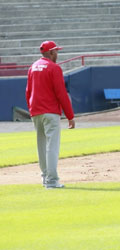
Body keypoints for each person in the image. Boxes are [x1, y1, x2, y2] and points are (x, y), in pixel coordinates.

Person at [26, 41, 75, 188]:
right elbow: (61, 94)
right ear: (51, 52)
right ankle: (52, 181)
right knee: (52, 145)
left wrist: (31, 109)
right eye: (56, 51)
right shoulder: (54, 68)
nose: (57, 54)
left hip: (36, 111)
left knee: (41, 145)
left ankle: (45, 177)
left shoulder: (32, 67)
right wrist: (70, 116)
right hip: (50, 111)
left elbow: (28, 92)